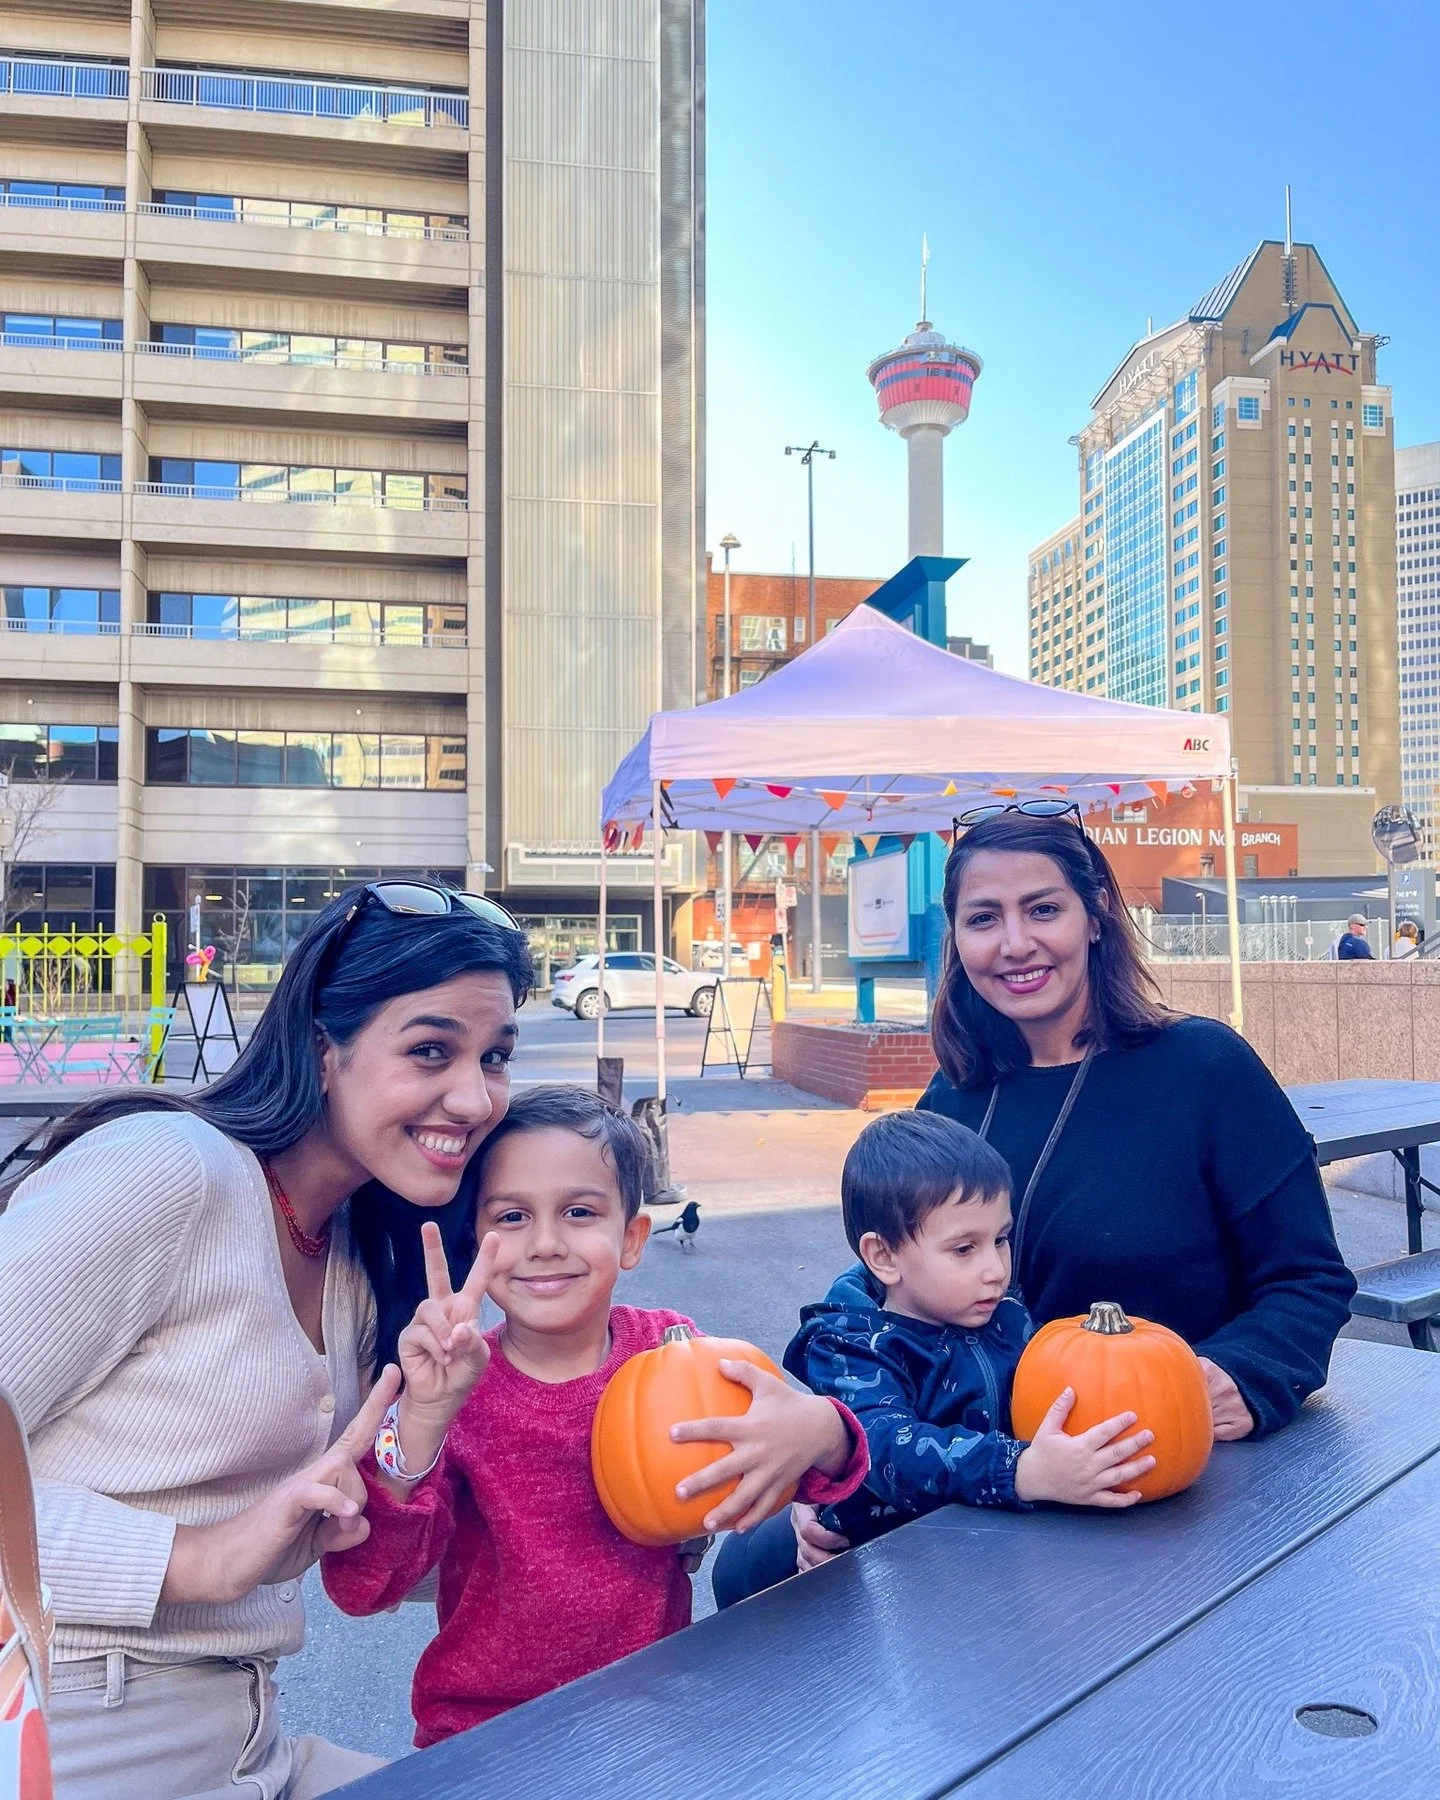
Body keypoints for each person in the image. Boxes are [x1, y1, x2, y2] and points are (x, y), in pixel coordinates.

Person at [0, 881, 533, 1800]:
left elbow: (360, 1562)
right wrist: (196, 1558)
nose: (475, 1096)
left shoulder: (359, 1258)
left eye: (495, 1057)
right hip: (68, 1736)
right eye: (432, 1050)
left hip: (246, 1744)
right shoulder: (171, 1173)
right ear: (324, 1051)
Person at [788, 803, 1356, 1581]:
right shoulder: (953, 1096)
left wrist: (1244, 1374)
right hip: (993, 1468)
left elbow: (1310, 1279)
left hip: (1163, 1470)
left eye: (1043, 909)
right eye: (984, 918)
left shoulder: (1205, 1070)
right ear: (957, 938)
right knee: (759, 1569)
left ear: (1095, 917)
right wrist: (838, 1448)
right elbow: (887, 1283)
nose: (1016, 944)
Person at [322, 1085, 868, 1743]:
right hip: (483, 1730)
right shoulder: (452, 1390)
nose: (546, 1243)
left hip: (648, 1715)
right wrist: (421, 1423)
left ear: (632, 1237)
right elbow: (364, 1585)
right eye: (513, 1217)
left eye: (579, 1211)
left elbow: (807, 1473)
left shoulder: (679, 1353)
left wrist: (824, 1430)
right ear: (476, 1236)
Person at [710, 1111, 1156, 1605]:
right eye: (964, 1248)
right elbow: (887, 1449)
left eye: (1001, 1240)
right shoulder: (855, 1350)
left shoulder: (1003, 1316)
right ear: (883, 1257)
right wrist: (1022, 1470)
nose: (995, 1269)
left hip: (987, 1554)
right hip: (880, 1576)